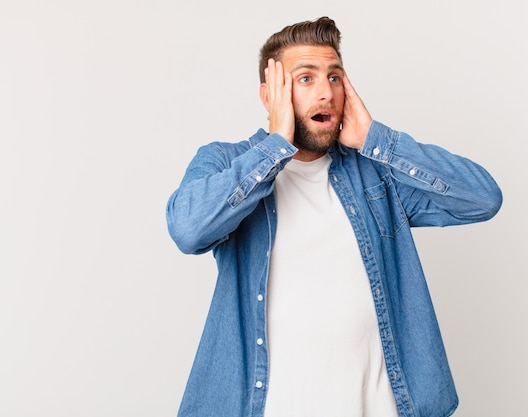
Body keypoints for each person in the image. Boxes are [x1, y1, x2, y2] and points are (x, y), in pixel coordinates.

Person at [166, 16, 502, 417]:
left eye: (335, 77)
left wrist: (376, 139)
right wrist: (275, 146)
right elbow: (188, 229)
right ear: (269, 95)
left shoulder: (374, 173)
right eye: (305, 79)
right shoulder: (227, 162)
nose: (325, 92)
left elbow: (483, 198)